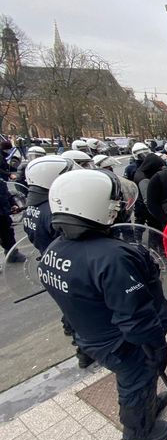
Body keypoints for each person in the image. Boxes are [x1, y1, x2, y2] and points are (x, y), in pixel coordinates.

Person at [41, 169, 167, 440]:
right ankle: (139, 434)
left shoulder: (54, 249)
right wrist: (155, 348)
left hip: (91, 332)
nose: (118, 210)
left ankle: (148, 405)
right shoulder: (112, 257)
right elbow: (136, 318)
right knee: (135, 382)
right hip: (120, 341)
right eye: (113, 204)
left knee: (140, 382)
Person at [23, 156, 93, 368]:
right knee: (83, 312)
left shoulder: (33, 207)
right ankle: (84, 352)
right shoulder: (52, 211)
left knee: (68, 308)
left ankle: (71, 330)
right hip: (69, 267)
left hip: (51, 263)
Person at [133, 153, 165, 229]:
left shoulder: (141, 171)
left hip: (141, 206)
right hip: (146, 210)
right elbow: (148, 201)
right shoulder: (144, 179)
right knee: (155, 231)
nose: (160, 169)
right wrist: (159, 216)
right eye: (159, 167)